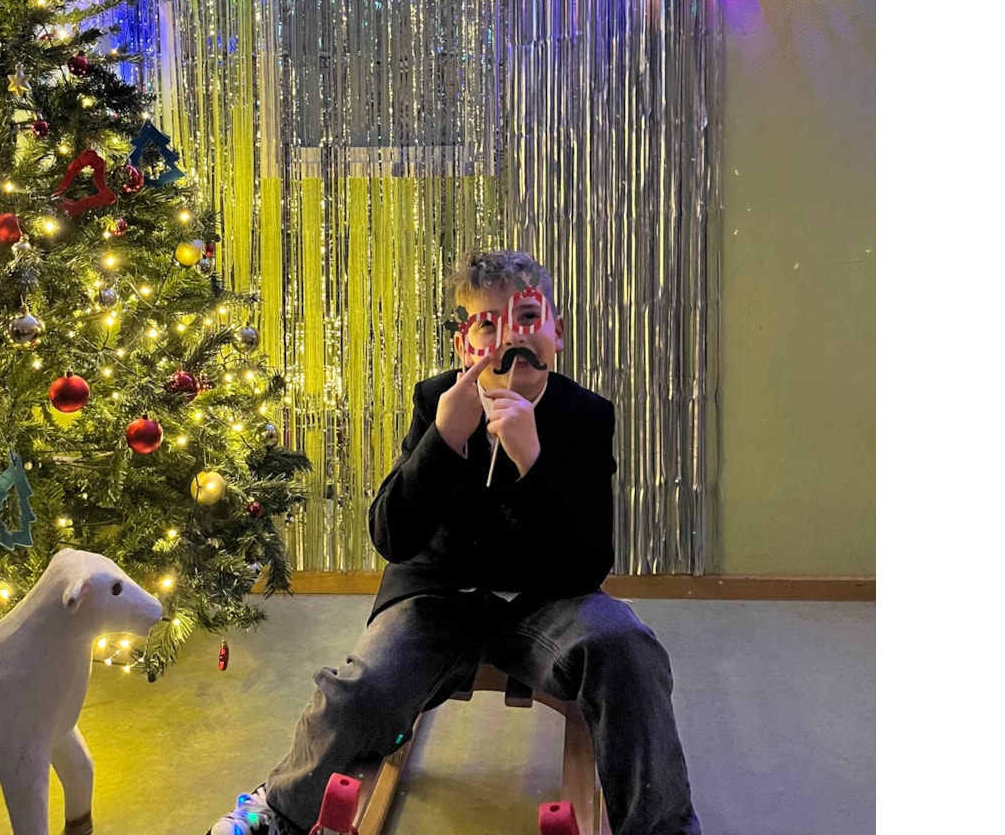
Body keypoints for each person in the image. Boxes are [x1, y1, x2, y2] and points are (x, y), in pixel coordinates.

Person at [209, 250, 700, 835]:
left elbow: (589, 561)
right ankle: (279, 808)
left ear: (557, 333)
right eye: (488, 324)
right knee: (361, 689)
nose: (509, 339)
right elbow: (392, 536)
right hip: (439, 599)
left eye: (527, 318)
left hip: (551, 602)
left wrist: (533, 462)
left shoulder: (585, 416)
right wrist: (443, 440)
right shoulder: (437, 400)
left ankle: (662, 827)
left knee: (628, 648)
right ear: (463, 343)